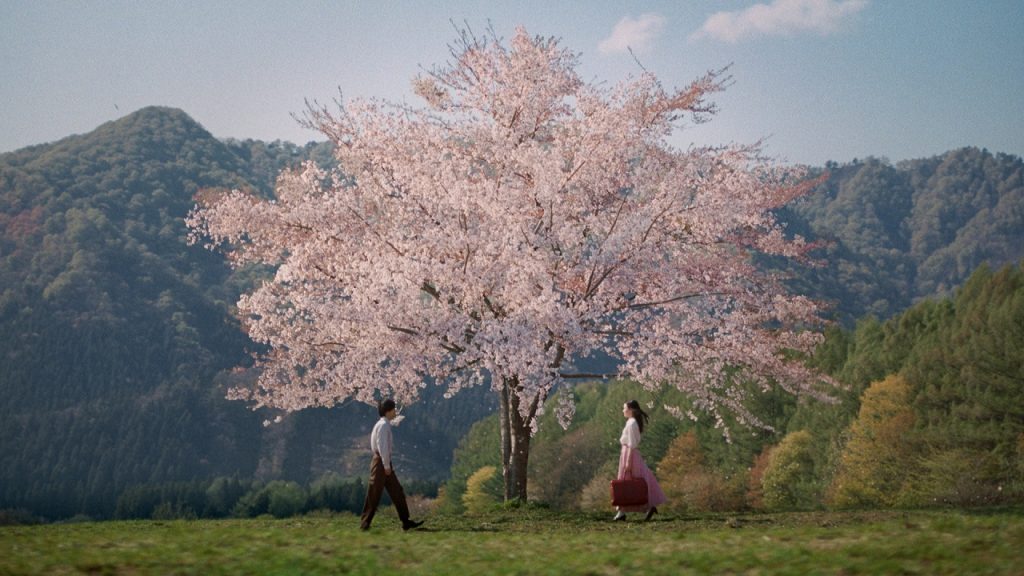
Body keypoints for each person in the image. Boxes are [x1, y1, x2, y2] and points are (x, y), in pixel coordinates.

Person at [360, 399, 424, 531]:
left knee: (397, 492)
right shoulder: (383, 426)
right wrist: (387, 466)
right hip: (381, 463)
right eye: (394, 409)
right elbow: (382, 446)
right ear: (388, 411)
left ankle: (405, 521)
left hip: (382, 462)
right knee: (374, 493)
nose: (395, 412)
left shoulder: (383, 424)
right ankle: (365, 523)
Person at [613, 399, 666, 522]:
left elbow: (632, 444)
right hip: (628, 453)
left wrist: (628, 462)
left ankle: (622, 512)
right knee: (630, 481)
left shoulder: (631, 424)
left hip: (629, 454)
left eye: (624, 408)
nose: (623, 410)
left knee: (627, 482)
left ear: (630, 410)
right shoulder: (631, 422)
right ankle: (624, 511)